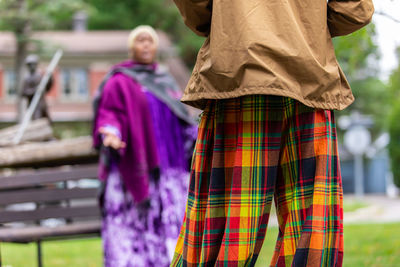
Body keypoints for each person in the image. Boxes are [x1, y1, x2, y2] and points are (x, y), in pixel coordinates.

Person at [171, 0, 374, 266]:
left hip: (239, 75)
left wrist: (230, 20)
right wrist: (303, 28)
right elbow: (355, 11)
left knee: (227, 224)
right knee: (311, 225)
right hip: (308, 81)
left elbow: (195, 8)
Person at [92, 25, 196, 267]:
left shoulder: (165, 79)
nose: (146, 45)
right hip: (134, 171)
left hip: (169, 173)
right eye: (141, 40)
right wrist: (110, 134)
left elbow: (182, 119)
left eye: (150, 40)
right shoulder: (119, 81)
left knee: (170, 232)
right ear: (132, 47)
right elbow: (110, 114)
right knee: (134, 232)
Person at [22, 54, 53, 121]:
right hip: (34, 106)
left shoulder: (40, 76)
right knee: (37, 121)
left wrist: (50, 78)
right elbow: (24, 93)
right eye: (30, 65)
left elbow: (47, 88)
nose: (32, 66)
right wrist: (35, 90)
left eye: (33, 64)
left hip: (42, 104)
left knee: (47, 122)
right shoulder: (27, 78)